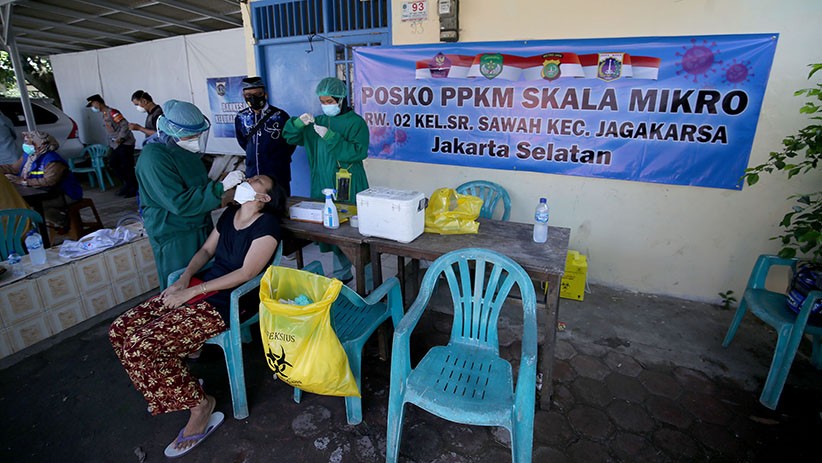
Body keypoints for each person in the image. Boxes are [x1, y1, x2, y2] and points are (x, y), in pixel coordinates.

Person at [109, 174, 284, 458]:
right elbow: (205, 250)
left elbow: (246, 273)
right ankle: (177, 385)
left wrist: (191, 293)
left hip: (228, 301)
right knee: (121, 329)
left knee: (142, 346)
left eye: (257, 180)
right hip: (198, 289)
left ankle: (200, 405)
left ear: (264, 198)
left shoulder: (267, 225)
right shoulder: (230, 213)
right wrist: (184, 279)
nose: (248, 178)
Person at [135, 99, 245, 289]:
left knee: (205, 279)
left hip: (198, 223)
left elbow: (197, 185)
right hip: (174, 232)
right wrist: (220, 188)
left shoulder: (184, 151)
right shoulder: (153, 159)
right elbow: (179, 202)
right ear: (173, 132)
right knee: (180, 284)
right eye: (191, 136)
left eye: (198, 134)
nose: (196, 140)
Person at [284, 76, 370, 282]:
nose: (325, 106)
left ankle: (368, 279)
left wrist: (332, 137)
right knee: (332, 230)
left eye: (329, 102)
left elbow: (357, 153)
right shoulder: (318, 122)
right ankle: (342, 275)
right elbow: (290, 137)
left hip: (348, 183)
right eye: (322, 101)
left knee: (354, 231)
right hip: (322, 182)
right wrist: (297, 123)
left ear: (341, 99)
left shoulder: (356, 123)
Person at [0, 130, 83, 227]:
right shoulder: (29, 155)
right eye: (25, 142)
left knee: (34, 207)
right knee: (20, 204)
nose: (25, 145)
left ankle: (61, 221)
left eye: (28, 142)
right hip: (43, 192)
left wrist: (22, 181)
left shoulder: (52, 160)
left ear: (42, 144)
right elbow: (14, 168)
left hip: (66, 194)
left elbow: (49, 181)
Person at [234, 76, 295, 195]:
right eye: (248, 95)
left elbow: (291, 142)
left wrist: (276, 158)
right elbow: (242, 141)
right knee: (256, 207)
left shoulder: (280, 116)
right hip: (253, 175)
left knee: (279, 208)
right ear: (243, 96)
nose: (253, 98)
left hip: (277, 174)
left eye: (258, 93)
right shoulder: (241, 117)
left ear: (265, 94)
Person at [86, 94, 138, 197]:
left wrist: (121, 138)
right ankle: (127, 184)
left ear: (97, 102)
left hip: (125, 143)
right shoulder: (104, 114)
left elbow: (124, 125)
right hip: (115, 145)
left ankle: (134, 188)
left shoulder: (113, 112)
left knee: (127, 166)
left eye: (93, 105)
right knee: (114, 163)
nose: (93, 107)